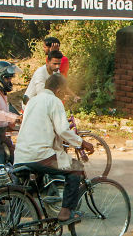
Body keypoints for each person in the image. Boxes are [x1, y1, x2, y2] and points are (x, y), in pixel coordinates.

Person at [13, 73, 94, 226]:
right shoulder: (54, 101)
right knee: (76, 168)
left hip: (21, 155)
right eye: (63, 91)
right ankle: (65, 212)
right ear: (58, 91)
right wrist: (82, 142)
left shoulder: (32, 101)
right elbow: (63, 130)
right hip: (40, 155)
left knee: (27, 189)